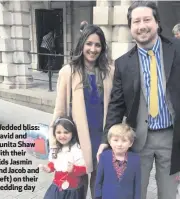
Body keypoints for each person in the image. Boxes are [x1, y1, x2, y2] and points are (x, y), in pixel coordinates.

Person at [97, 1, 180, 199]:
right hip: (137, 140)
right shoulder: (123, 63)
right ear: (130, 27)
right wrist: (106, 139)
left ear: (157, 22)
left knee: (169, 194)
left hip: (172, 138)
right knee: (135, 192)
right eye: (136, 21)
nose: (141, 25)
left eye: (146, 19)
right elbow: (116, 105)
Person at [48, 24, 115, 199]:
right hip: (78, 141)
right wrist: (54, 145)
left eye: (98, 45)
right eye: (89, 44)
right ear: (82, 45)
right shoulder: (67, 72)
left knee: (100, 187)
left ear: (102, 47)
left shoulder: (109, 72)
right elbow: (60, 110)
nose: (93, 49)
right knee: (78, 189)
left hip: (102, 139)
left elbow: (115, 107)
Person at [40, 116, 86, 199]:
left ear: (72, 133)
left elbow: (84, 169)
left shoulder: (77, 150)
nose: (62, 135)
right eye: (59, 132)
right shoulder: (55, 148)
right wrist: (48, 168)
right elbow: (54, 163)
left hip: (72, 189)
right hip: (57, 186)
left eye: (66, 132)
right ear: (54, 133)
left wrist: (74, 169)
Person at [94, 123, 141, 199]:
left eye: (124, 140)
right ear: (109, 141)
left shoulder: (135, 159)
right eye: (115, 140)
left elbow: (137, 183)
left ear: (131, 143)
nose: (119, 144)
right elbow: (99, 180)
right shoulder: (104, 157)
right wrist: (97, 196)